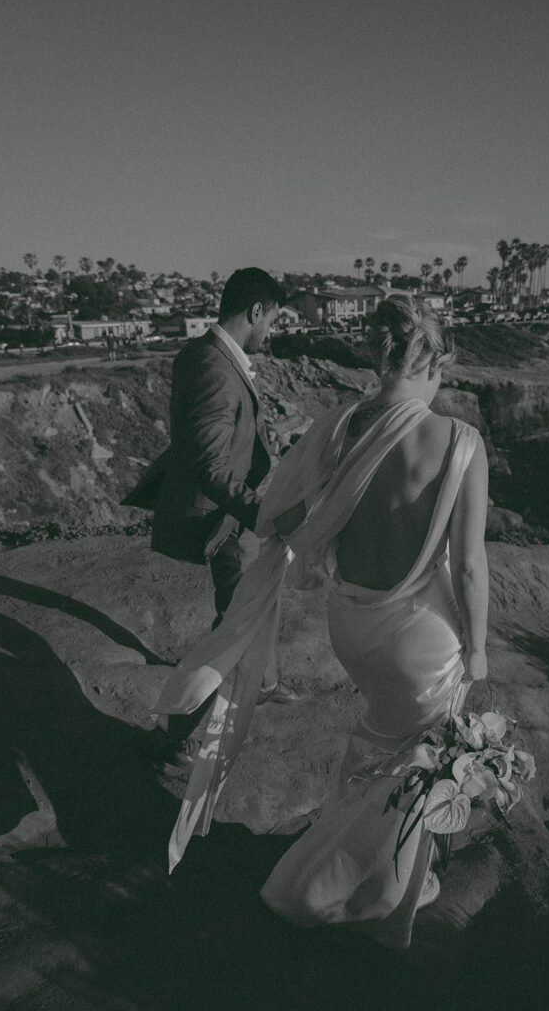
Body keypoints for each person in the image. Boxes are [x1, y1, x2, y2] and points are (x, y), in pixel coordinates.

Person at [152, 297, 488, 949]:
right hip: (420, 640)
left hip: (351, 627)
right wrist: (475, 648)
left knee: (377, 742)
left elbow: (281, 516)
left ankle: (389, 868)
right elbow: (469, 568)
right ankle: (348, 889)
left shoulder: (335, 427)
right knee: (415, 762)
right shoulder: (459, 444)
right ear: (434, 363)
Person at [122, 268, 307, 764]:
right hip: (226, 517)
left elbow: (220, 439)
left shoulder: (206, 353)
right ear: (256, 311)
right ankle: (174, 732)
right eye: (274, 320)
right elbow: (208, 464)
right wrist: (262, 513)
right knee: (233, 624)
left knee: (256, 601)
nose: (273, 331)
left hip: (232, 510)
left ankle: (263, 682)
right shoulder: (213, 367)